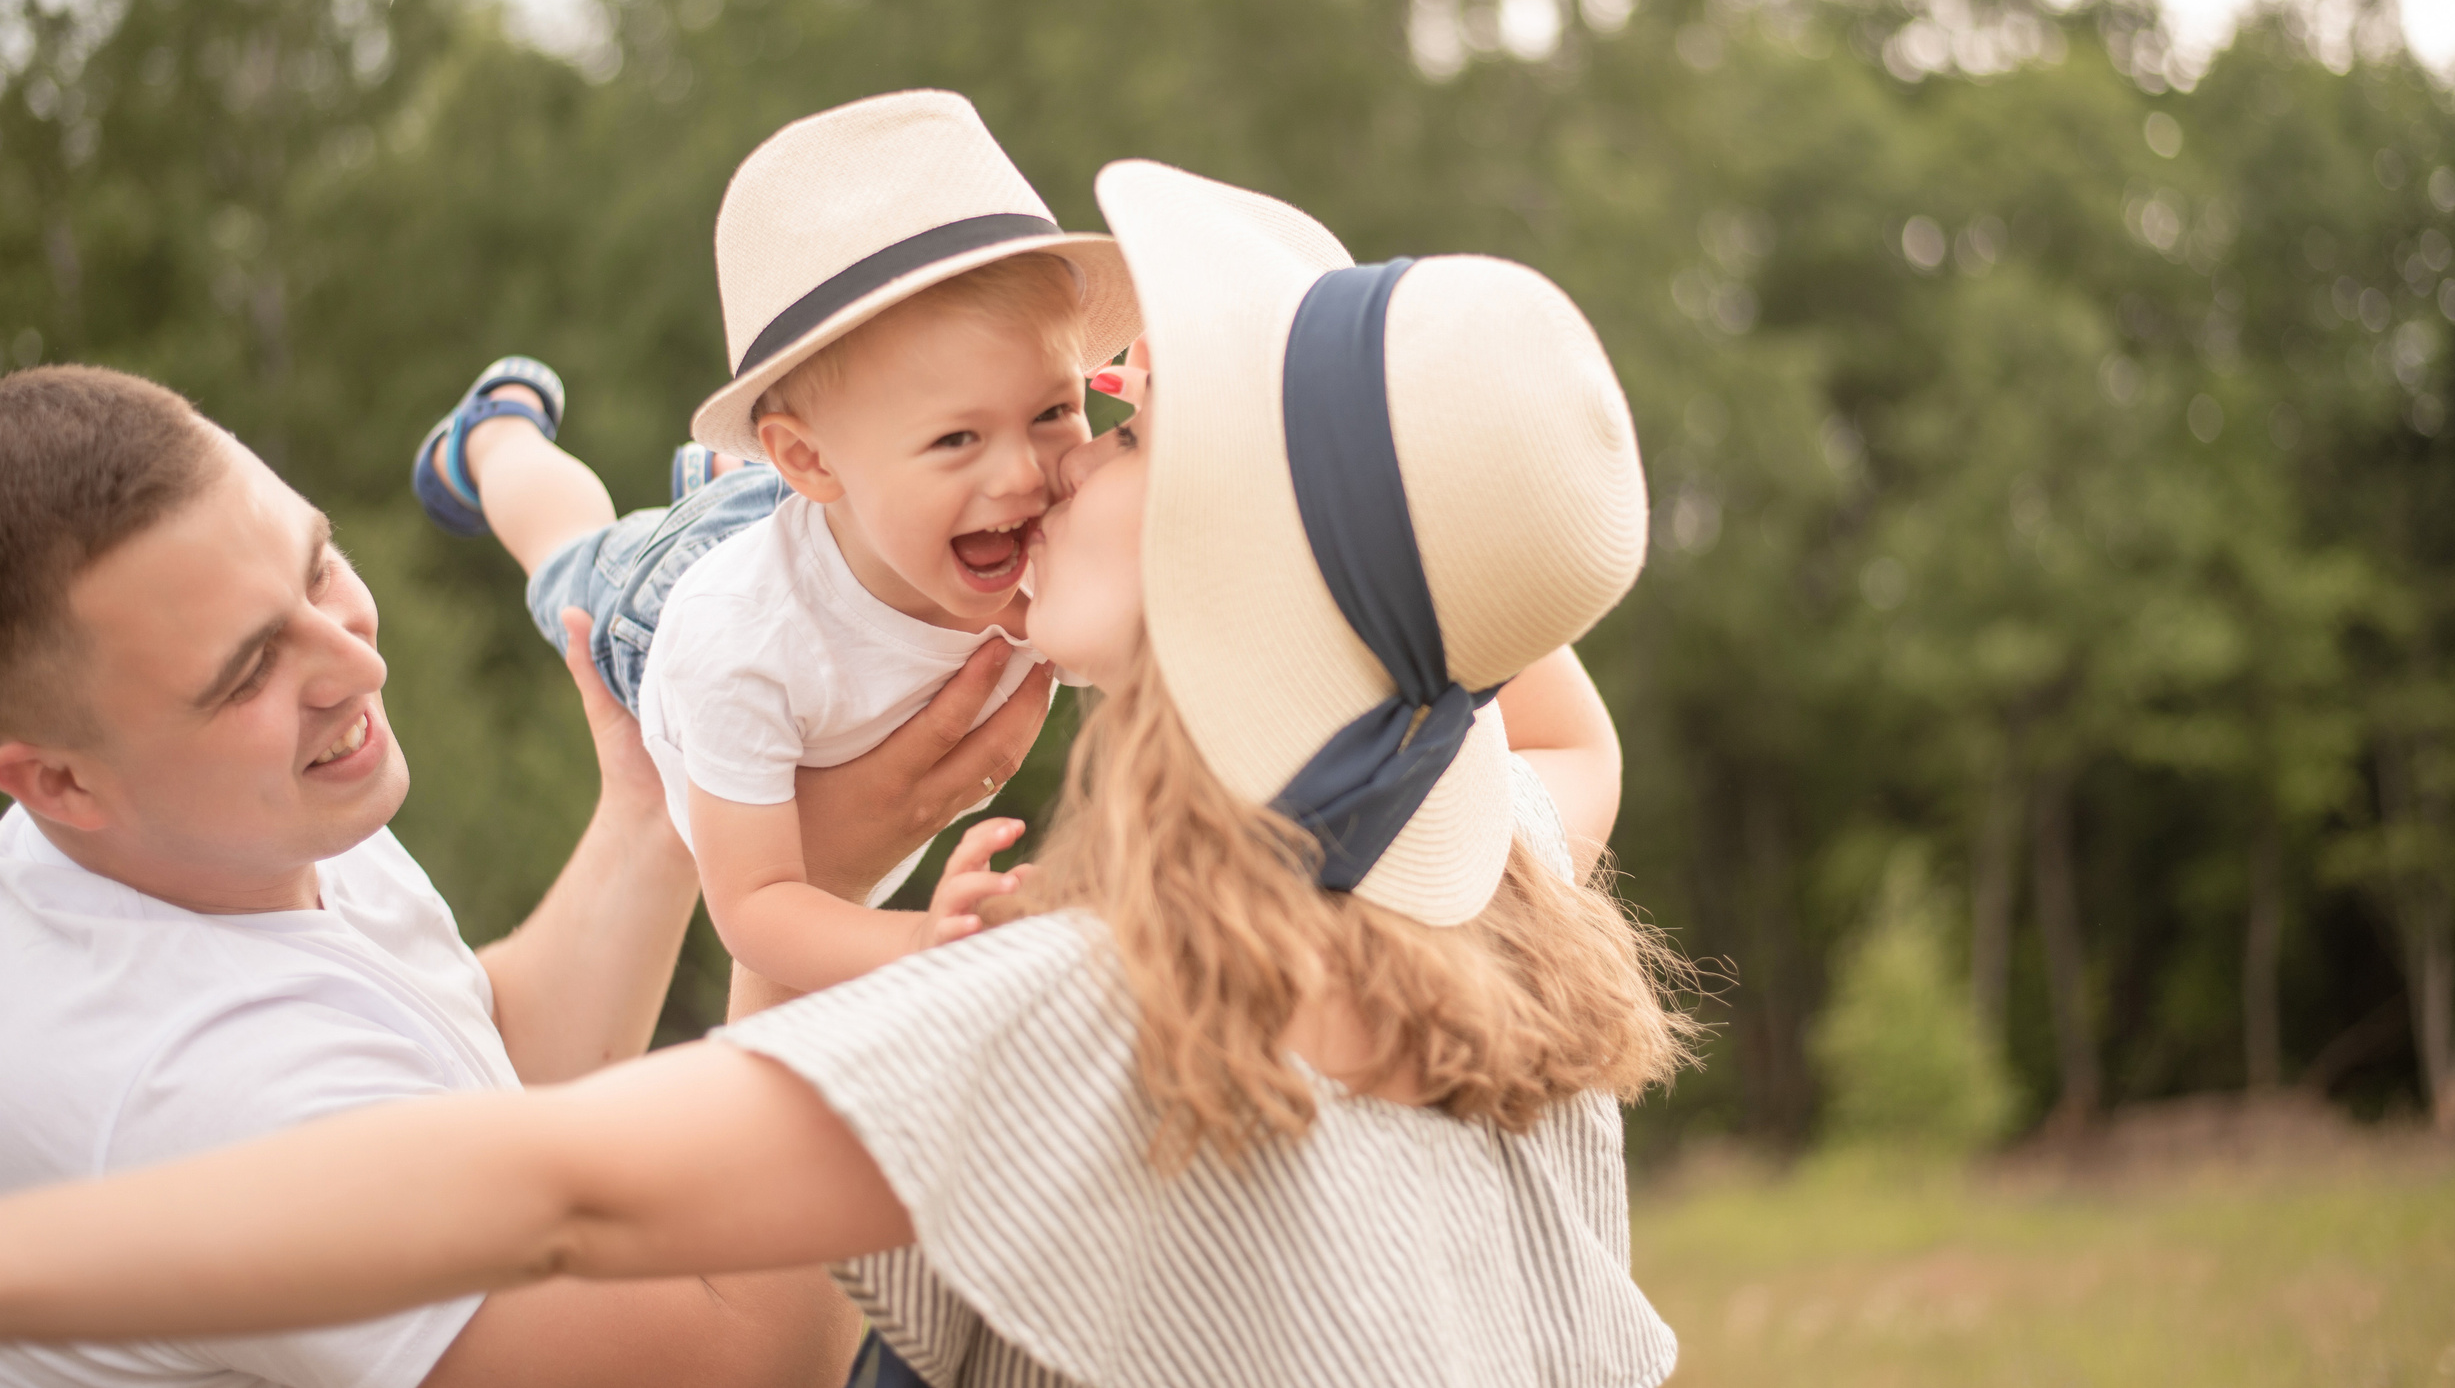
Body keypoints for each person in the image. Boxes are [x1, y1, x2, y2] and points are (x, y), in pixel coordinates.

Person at [0, 161, 1694, 1387]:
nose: (1062, 454)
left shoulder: (1083, 1015)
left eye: (1126, 423)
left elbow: (560, 1188)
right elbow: (1537, 698)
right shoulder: (1503, 897)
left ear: (1209, 553)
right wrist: (1404, 480)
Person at [0, 363, 1053, 1388]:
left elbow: (473, 1070)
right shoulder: (196, 1104)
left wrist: (662, 816)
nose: (355, 661)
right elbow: (750, 1364)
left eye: (319, 564)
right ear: (55, 779)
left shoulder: (211, 805)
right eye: (247, 671)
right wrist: (810, 896)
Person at [411, 91, 1141, 992]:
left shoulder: (1045, 543)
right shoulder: (738, 644)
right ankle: (495, 436)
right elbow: (755, 907)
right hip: (669, 596)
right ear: (811, 458)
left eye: (1054, 411)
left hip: (841, 514)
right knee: (567, 545)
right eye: (958, 438)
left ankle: (746, 486)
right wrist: (919, 944)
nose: (1023, 476)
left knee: (820, 516)